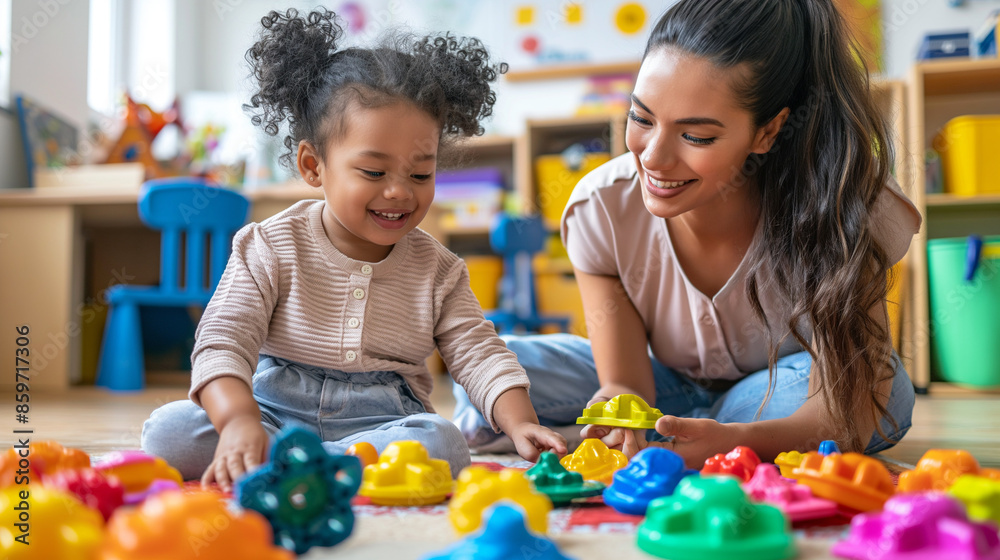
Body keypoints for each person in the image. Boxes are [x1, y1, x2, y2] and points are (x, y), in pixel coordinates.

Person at [454, 0, 920, 467]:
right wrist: (619, 411)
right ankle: (689, 430)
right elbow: (626, 382)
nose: (653, 157)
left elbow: (857, 396)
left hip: (779, 384)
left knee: (881, 392)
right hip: (665, 383)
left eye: (695, 137)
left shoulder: (843, 199)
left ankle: (715, 430)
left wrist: (741, 438)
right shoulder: (602, 208)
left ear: (769, 131)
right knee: (496, 364)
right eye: (641, 118)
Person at [141, 8, 566, 490]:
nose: (399, 192)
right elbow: (223, 340)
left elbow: (478, 350)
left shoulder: (439, 270)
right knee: (168, 430)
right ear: (313, 165)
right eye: (374, 172)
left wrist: (518, 421)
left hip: (383, 421)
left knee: (442, 444)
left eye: (420, 174)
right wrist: (239, 420)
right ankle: (314, 461)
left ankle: (302, 464)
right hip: (273, 411)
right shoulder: (269, 244)